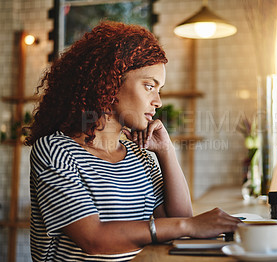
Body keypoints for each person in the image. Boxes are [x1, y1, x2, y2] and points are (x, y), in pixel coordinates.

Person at [25, 21, 241, 261]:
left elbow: (179, 218)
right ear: (109, 83)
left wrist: (166, 151)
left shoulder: (139, 156)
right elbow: (93, 240)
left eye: (160, 90)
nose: (158, 101)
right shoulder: (55, 150)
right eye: (149, 86)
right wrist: (188, 226)